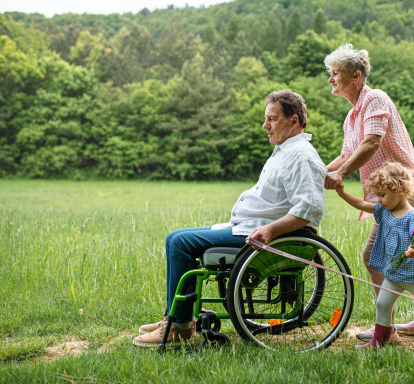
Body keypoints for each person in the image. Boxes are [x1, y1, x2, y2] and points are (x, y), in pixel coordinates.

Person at [132, 89, 327, 347]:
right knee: (174, 238)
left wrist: (270, 231)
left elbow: (308, 210)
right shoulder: (286, 150)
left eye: (271, 119)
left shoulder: (300, 154)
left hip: (264, 236)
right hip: (248, 228)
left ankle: (178, 327)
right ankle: (178, 318)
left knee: (181, 243)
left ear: (293, 120)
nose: (264, 126)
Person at [323, 44, 414, 341]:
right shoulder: (351, 116)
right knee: (398, 258)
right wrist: (317, 171)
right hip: (388, 194)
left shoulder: (375, 99)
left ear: (355, 76)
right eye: (329, 74)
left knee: (378, 257)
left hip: (402, 190)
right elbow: (346, 154)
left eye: (335, 74)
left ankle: (390, 327)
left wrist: (339, 175)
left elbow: (371, 142)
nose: (330, 79)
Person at [335, 162, 414, 351]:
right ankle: (379, 341)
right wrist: (342, 194)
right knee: (382, 303)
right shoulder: (384, 211)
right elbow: (361, 204)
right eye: (377, 195)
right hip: (393, 271)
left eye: (382, 195)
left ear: (399, 189)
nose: (379, 200)